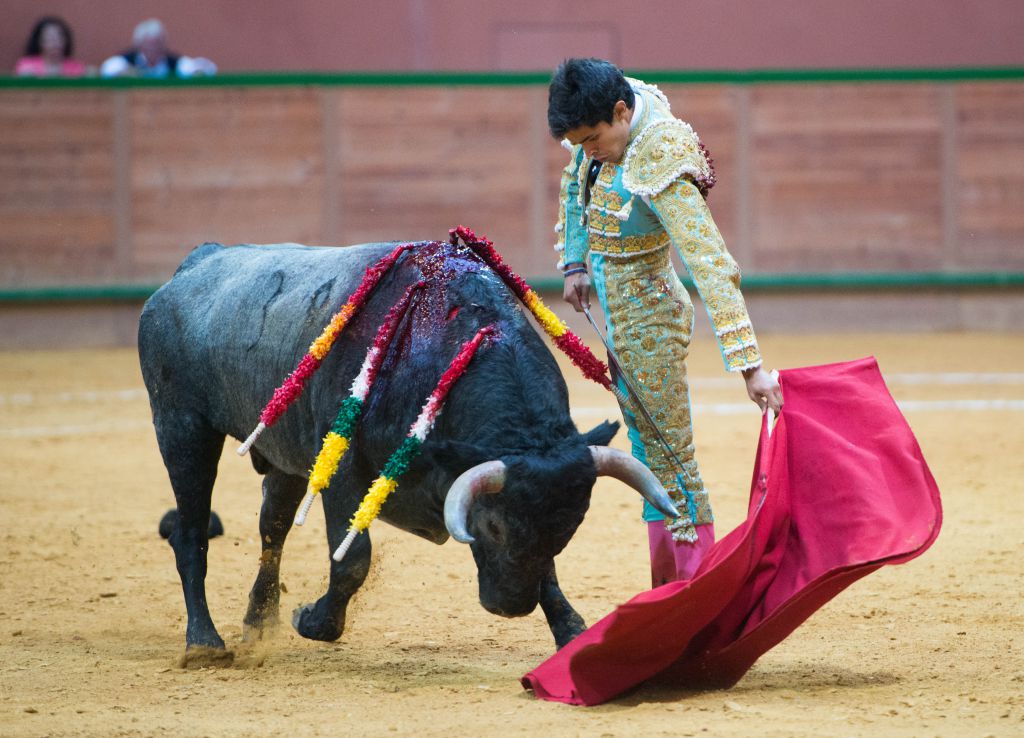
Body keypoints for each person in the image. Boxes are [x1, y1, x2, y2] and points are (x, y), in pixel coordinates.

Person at [548, 58, 783, 586]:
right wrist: (576, 262)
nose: (588, 151)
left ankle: (693, 591)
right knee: (648, 450)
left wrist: (750, 367)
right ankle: (669, 587)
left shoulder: (660, 154)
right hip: (618, 316)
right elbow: (574, 185)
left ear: (621, 111)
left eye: (593, 138)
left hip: (651, 320)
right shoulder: (600, 135)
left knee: (670, 457)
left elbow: (711, 263)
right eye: (579, 141)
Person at [100, 18, 216, 78]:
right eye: (149, 46)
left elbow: (205, 68)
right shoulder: (128, 60)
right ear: (139, 45)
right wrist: (129, 72)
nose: (153, 50)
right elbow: (107, 68)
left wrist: (199, 69)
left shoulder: (173, 62)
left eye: (158, 46)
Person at [15, 16, 87, 77]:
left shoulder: (76, 68)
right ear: (39, 41)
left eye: (59, 38)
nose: (55, 43)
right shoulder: (27, 67)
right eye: (50, 38)